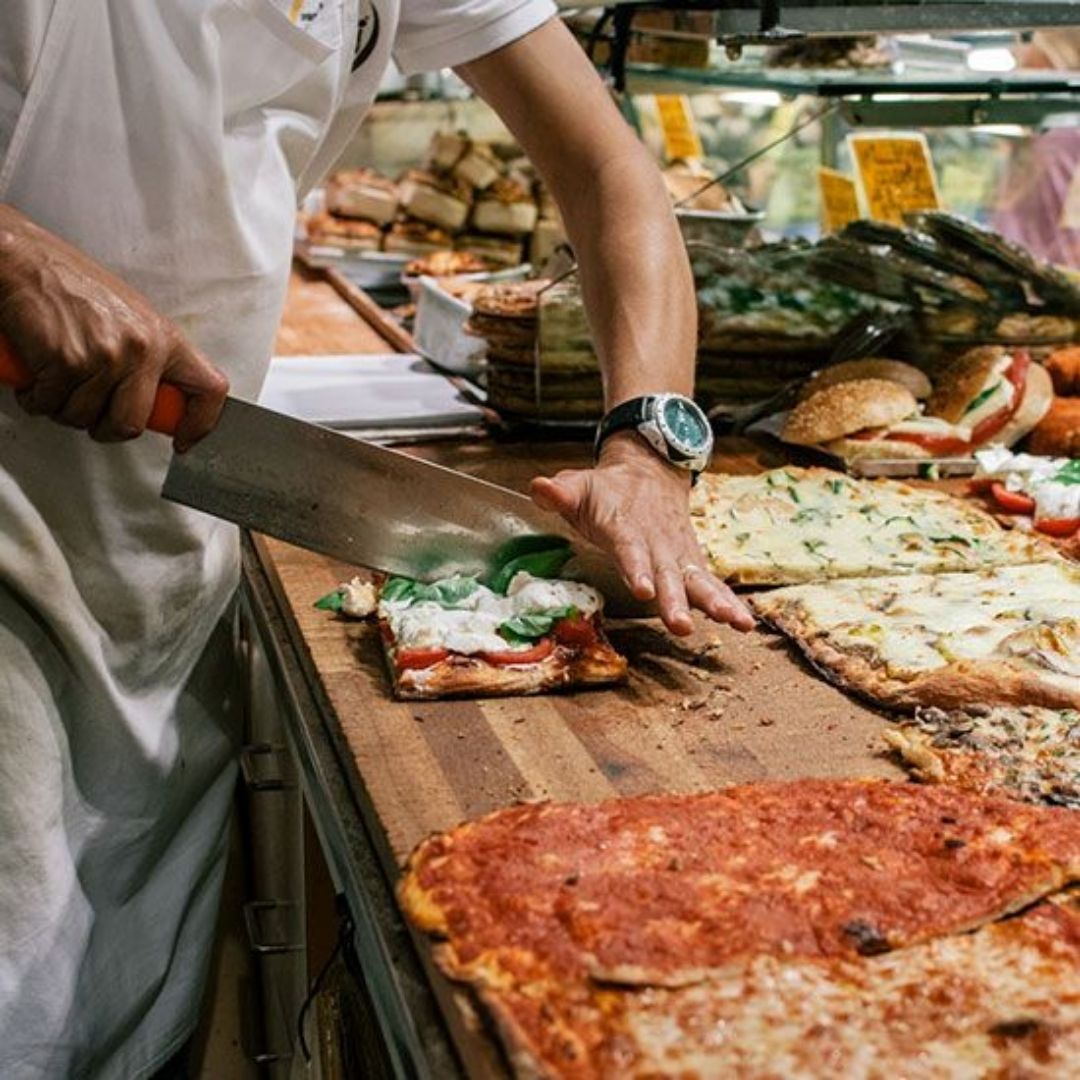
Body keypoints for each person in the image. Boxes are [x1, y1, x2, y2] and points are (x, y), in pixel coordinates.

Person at [0, 4, 753, 1076]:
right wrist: (13, 251)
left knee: (119, 1019)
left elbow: (609, 175)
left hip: (172, 547)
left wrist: (647, 444)